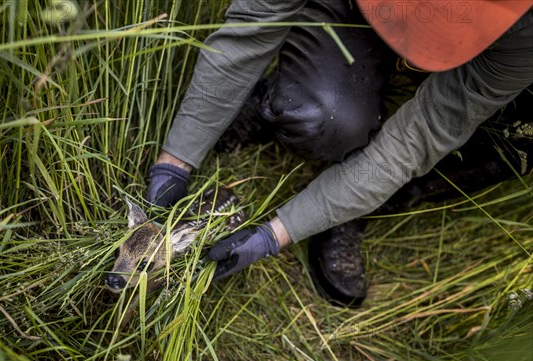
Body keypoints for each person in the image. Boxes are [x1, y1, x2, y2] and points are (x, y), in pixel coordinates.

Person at [146, 0, 533, 307]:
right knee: (323, 121)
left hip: (498, 49)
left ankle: (357, 208)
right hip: (355, 10)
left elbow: (416, 141)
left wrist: (275, 234)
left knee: (521, 139)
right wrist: (174, 163)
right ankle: (285, 99)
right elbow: (250, 31)